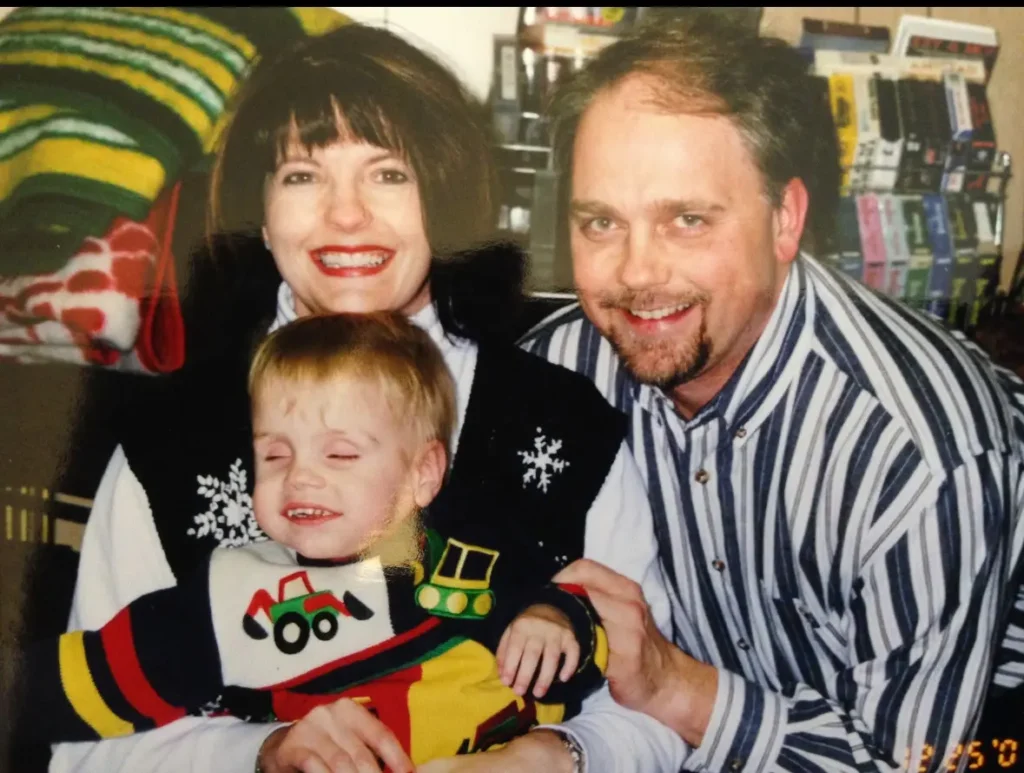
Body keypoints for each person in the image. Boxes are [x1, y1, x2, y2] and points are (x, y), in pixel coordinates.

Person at [50, 22, 688, 773]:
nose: (345, 215)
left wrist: (556, 756)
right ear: (260, 212)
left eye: (388, 174)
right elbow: (84, 751)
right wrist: (259, 752)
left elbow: (653, 714)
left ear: (443, 199)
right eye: (301, 175)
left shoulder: (562, 425)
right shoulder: (168, 444)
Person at [521, 11, 1024, 773]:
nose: (635, 274)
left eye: (687, 219)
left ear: (784, 219)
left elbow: (913, 763)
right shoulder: (554, 372)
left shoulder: (918, 452)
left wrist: (676, 687)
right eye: (601, 222)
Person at [16, 312, 611, 763]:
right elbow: (91, 679)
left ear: (422, 474)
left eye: (341, 453)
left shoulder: (475, 555)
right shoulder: (231, 599)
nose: (300, 475)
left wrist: (555, 618)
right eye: (274, 453)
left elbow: (585, 630)